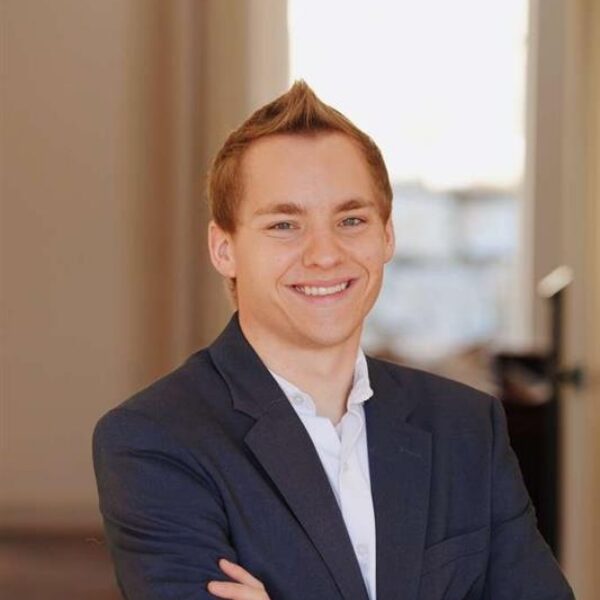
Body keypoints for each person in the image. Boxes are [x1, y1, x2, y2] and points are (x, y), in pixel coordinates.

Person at [92, 81, 574, 600]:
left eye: (351, 220)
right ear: (223, 248)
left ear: (387, 235)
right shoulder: (156, 440)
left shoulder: (467, 428)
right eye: (284, 225)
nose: (325, 254)